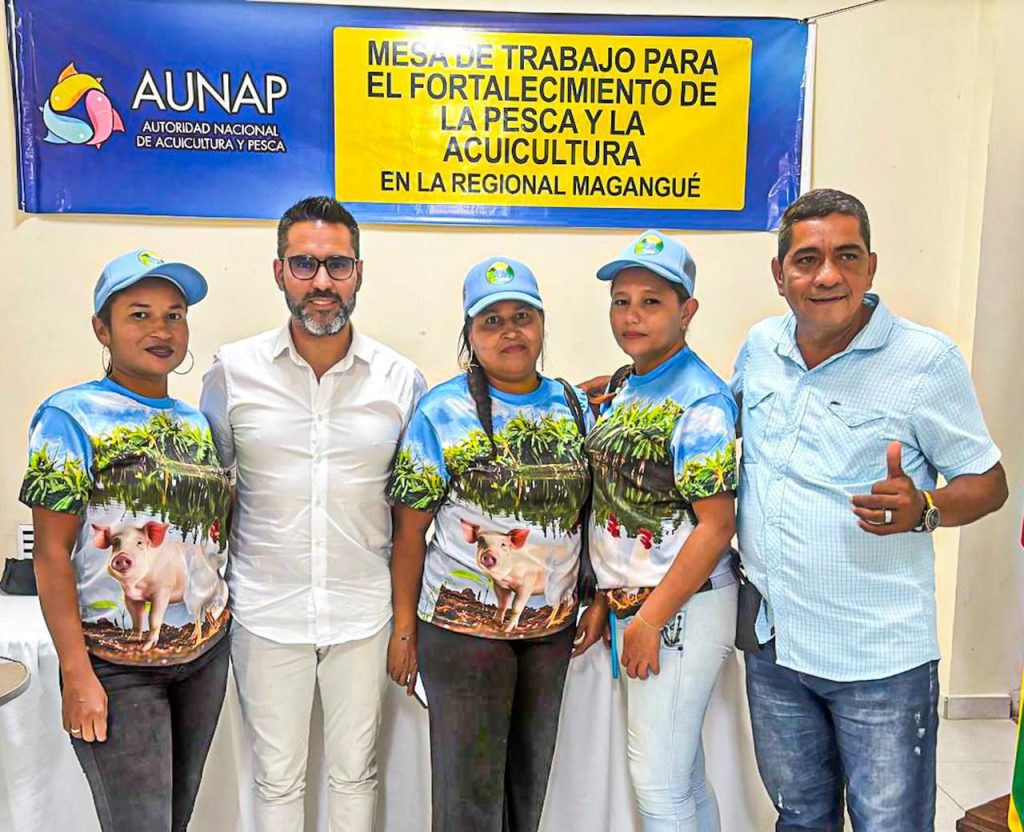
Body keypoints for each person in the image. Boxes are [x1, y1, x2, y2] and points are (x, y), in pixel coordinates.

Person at [732, 188, 1009, 831]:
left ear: (871, 266)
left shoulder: (924, 360)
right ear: (779, 274)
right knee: (801, 818)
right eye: (806, 260)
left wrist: (926, 507)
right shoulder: (761, 347)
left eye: (847, 256)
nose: (827, 275)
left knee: (890, 825)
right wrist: (633, 384)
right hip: (776, 647)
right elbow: (719, 417)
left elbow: (989, 482)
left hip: (878, 658)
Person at [199, 197, 425, 832]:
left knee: (356, 774)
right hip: (265, 609)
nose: (321, 281)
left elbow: (412, 511)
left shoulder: (400, 381)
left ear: (359, 273)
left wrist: (406, 621)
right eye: (304, 264)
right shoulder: (232, 373)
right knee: (276, 779)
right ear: (279, 272)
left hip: (364, 610)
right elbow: (214, 495)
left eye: (337, 265)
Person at [386, 256, 607, 832]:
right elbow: (408, 532)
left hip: (550, 634)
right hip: (462, 637)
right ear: (470, 334)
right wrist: (404, 630)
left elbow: (593, 516)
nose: (510, 331)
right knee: (468, 800)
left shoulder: (572, 406)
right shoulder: (441, 411)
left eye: (522, 316)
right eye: (492, 321)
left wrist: (598, 598)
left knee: (526, 793)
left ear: (542, 324)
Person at [21, 250, 231, 831]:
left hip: (201, 655)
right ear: (102, 329)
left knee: (175, 819)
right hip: (116, 664)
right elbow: (51, 554)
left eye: (174, 315)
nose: (161, 330)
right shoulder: (70, 416)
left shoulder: (194, 423)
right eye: (139, 314)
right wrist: (76, 673)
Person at [584, 231, 739, 832]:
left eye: (651, 302)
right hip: (643, 604)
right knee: (682, 777)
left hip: (680, 609)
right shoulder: (631, 382)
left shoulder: (699, 401)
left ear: (687, 311)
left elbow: (716, 526)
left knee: (658, 786)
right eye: (621, 301)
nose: (632, 316)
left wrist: (649, 621)